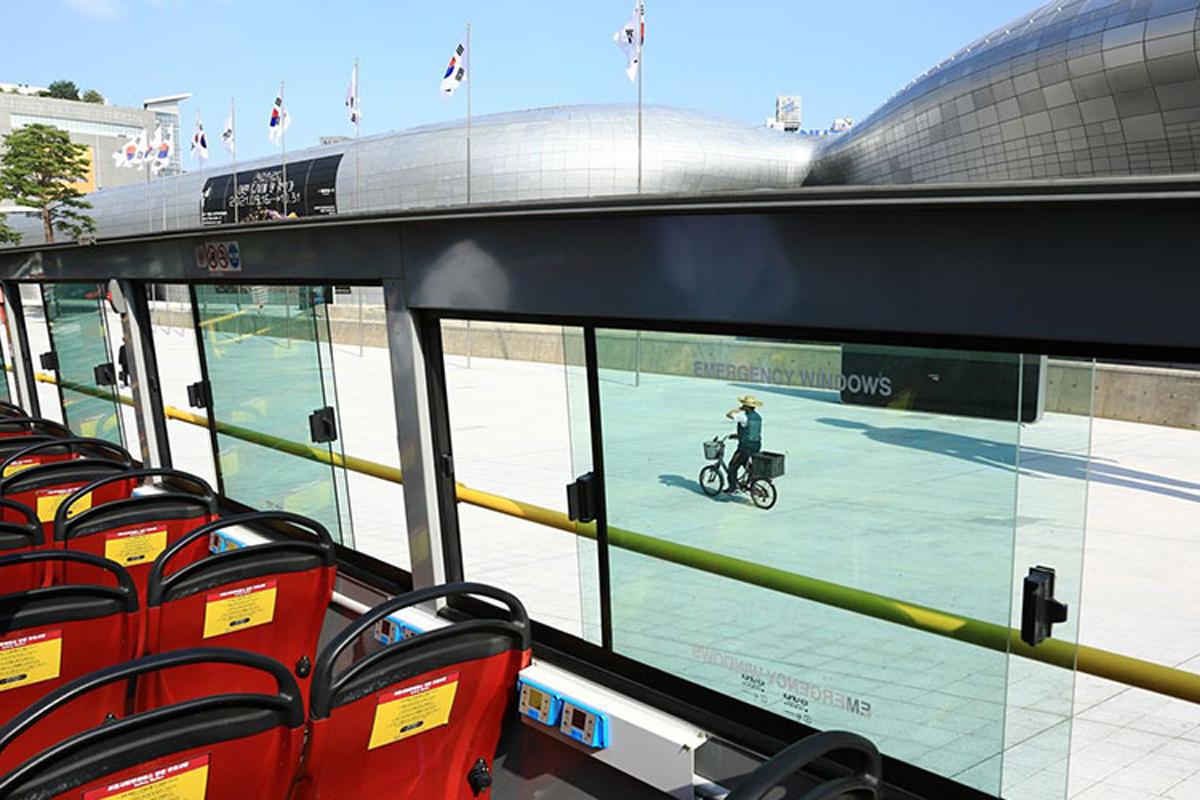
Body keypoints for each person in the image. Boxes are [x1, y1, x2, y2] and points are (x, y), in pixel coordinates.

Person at [724, 395, 763, 492]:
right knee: (745, 463)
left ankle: (732, 487)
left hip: (745, 447)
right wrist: (738, 436)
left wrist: (738, 409)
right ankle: (750, 481)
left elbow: (729, 415)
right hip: (756, 445)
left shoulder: (743, 417)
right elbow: (751, 430)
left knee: (732, 466)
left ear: (746, 406)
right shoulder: (758, 417)